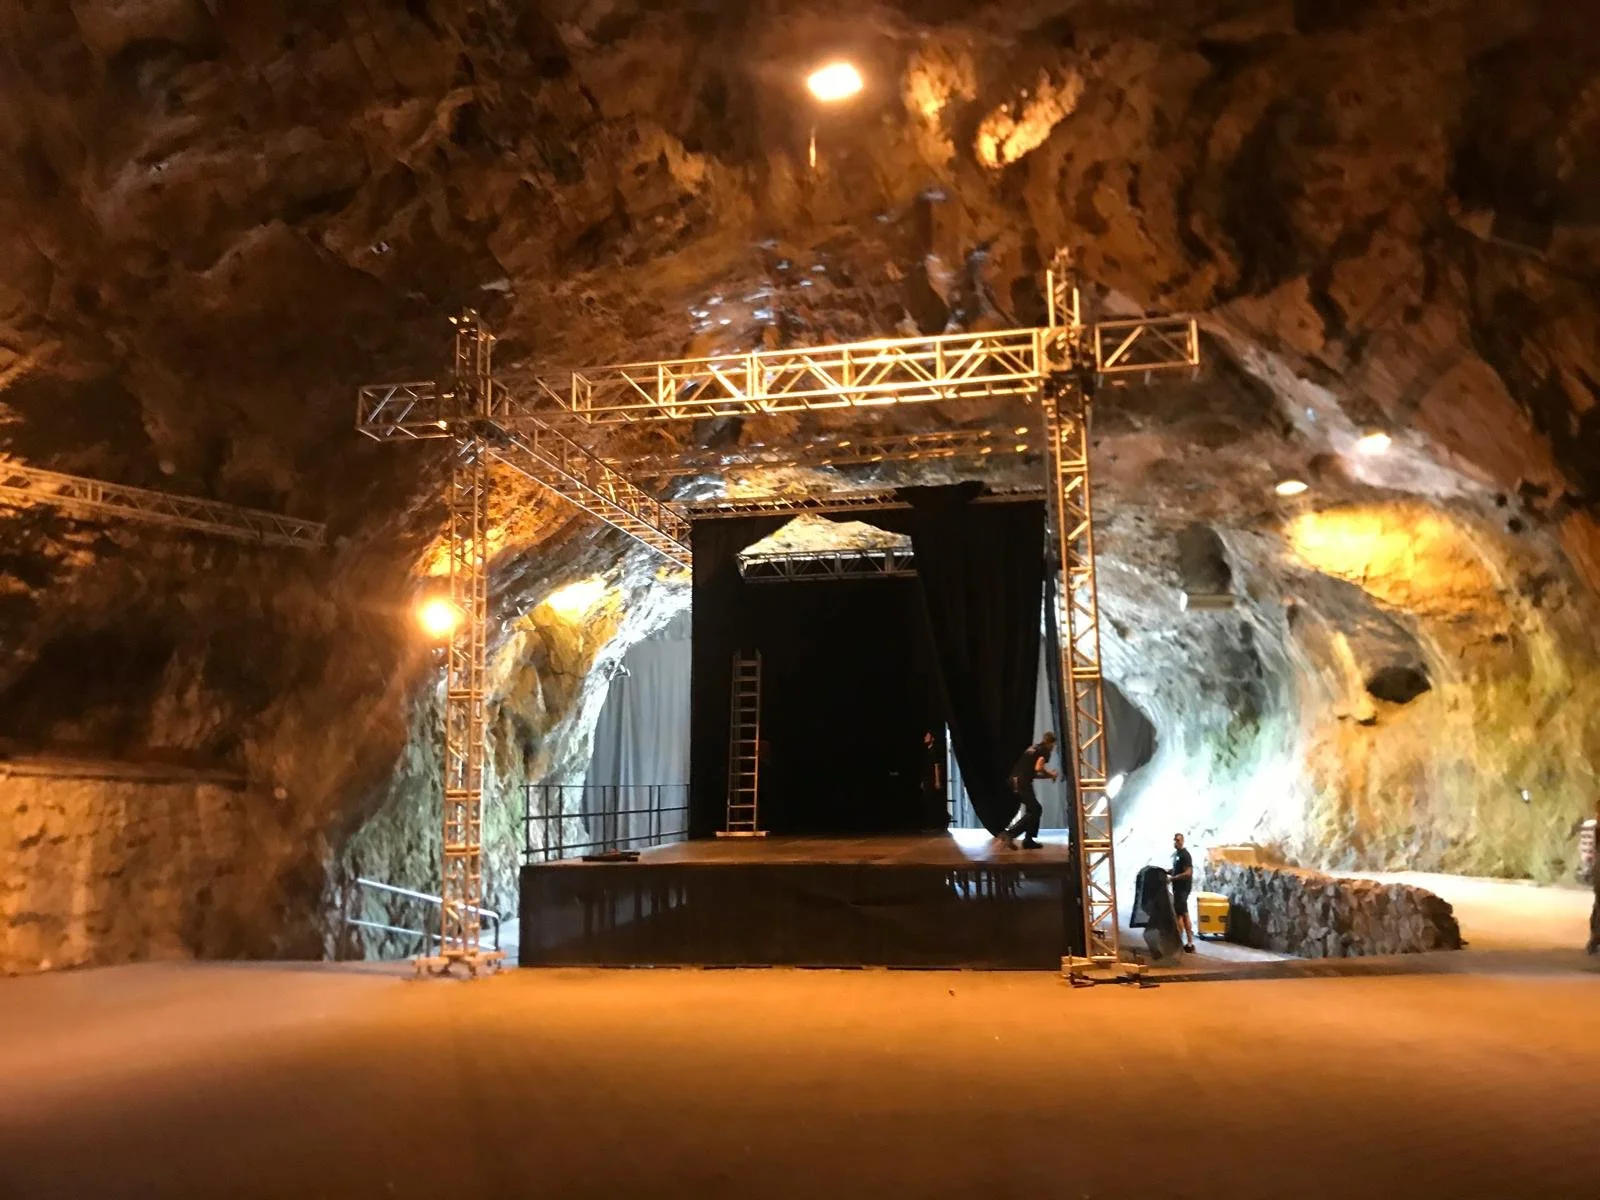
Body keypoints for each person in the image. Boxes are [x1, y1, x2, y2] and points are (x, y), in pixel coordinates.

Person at [999, 732, 1057, 850]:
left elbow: (1032, 772)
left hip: (1015, 780)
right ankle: (1010, 834)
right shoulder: (1044, 750)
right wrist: (1051, 773)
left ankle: (1028, 840)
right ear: (1051, 744)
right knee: (1036, 809)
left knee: (1032, 809)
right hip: (1022, 783)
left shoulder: (1033, 749)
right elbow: (1039, 768)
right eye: (1053, 746)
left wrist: (1049, 776)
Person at [1170, 832, 1196, 953]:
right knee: (1183, 913)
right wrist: (1167, 872)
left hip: (1183, 889)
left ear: (1183, 841)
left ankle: (1183, 942)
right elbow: (1176, 870)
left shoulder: (1185, 855)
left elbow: (1188, 872)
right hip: (1177, 889)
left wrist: (1173, 878)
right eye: (1175, 840)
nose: (1176, 842)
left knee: (1181, 914)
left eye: (1178, 840)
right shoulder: (1176, 855)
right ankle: (1187, 942)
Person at [921, 730, 947, 829]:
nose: (925, 737)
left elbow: (937, 766)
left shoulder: (934, 751)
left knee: (932, 802)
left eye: (927, 736)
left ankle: (934, 824)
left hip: (931, 780)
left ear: (932, 738)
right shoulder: (928, 750)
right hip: (928, 779)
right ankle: (930, 823)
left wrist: (937, 781)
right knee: (927, 802)